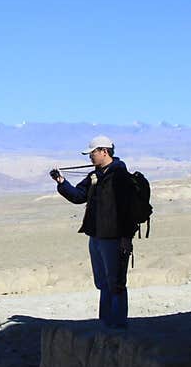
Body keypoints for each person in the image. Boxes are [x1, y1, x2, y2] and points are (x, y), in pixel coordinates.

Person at [50, 135, 138, 329]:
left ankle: (118, 326)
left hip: (113, 238)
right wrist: (61, 182)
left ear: (103, 152)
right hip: (96, 236)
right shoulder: (95, 175)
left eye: (92, 153)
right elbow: (79, 196)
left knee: (115, 283)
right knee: (103, 284)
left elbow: (127, 210)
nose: (90, 157)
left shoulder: (119, 176)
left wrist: (126, 238)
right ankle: (105, 324)